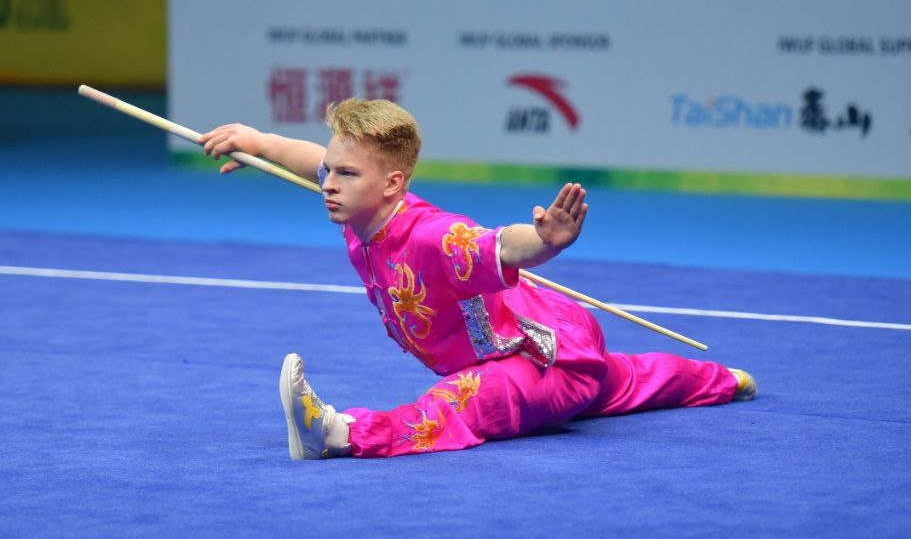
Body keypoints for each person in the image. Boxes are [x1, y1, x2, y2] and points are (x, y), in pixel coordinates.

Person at [200, 98, 757, 460]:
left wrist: (547, 241)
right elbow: (311, 159)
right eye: (333, 171)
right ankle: (724, 380)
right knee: (628, 379)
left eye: (346, 174)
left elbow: (503, 243)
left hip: (527, 363)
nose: (328, 183)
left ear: (393, 183)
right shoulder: (358, 205)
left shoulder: (432, 236)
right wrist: (258, 142)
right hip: (552, 342)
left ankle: (336, 432)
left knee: (455, 405)